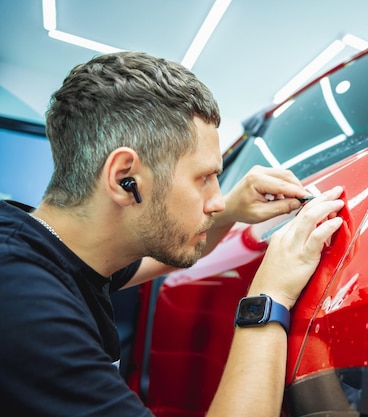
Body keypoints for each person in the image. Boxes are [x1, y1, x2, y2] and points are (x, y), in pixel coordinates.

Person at [0, 51, 345, 416]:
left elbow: (151, 263)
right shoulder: (24, 305)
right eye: (203, 178)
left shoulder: (48, 250)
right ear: (124, 178)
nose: (214, 201)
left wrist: (231, 209)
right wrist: (269, 297)